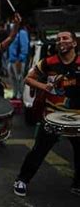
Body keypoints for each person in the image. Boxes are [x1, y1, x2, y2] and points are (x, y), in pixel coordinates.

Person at [13, 31, 80, 197]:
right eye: (58, 39)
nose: (60, 41)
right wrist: (44, 87)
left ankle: (77, 184)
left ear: (74, 43)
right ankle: (22, 180)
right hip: (52, 116)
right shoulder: (48, 62)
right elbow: (28, 79)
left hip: (77, 118)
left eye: (65, 38)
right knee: (38, 151)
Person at [8, 23, 29, 100]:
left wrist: (20, 59)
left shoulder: (22, 33)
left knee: (19, 79)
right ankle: (15, 94)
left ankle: (20, 95)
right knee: (13, 79)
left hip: (18, 60)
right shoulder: (13, 33)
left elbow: (24, 47)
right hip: (11, 60)